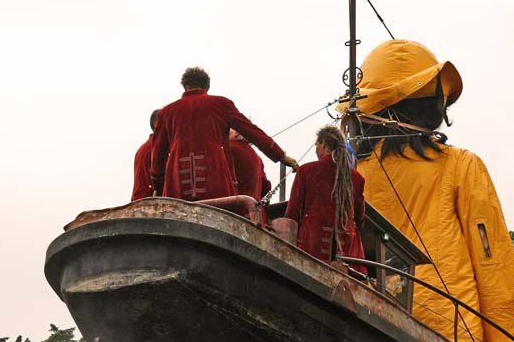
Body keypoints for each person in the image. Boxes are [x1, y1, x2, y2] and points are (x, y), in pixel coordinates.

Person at [346, 39, 514, 342]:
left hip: (369, 332)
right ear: (432, 108)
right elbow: (490, 256)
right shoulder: (460, 166)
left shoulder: (349, 175)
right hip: (455, 339)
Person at [151, 67, 299, 200]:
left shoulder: (167, 112)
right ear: (207, 86)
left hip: (177, 183)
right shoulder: (221, 104)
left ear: (184, 86)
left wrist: (159, 186)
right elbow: (252, 131)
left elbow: (157, 155)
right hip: (214, 178)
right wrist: (281, 156)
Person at [284, 126, 366, 274]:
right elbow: (360, 218)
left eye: (316, 145)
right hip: (348, 256)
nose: (316, 150)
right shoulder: (357, 178)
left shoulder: (306, 171)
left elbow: (292, 213)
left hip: (312, 250)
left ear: (323, 144)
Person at [228, 129, 272, 201]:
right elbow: (265, 188)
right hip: (254, 209)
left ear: (237, 132)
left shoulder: (226, 150)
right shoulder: (257, 157)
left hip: (229, 209)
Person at [131, 109, 159, 201]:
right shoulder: (156, 148)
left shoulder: (144, 148)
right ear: (156, 124)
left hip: (139, 204)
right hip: (148, 205)